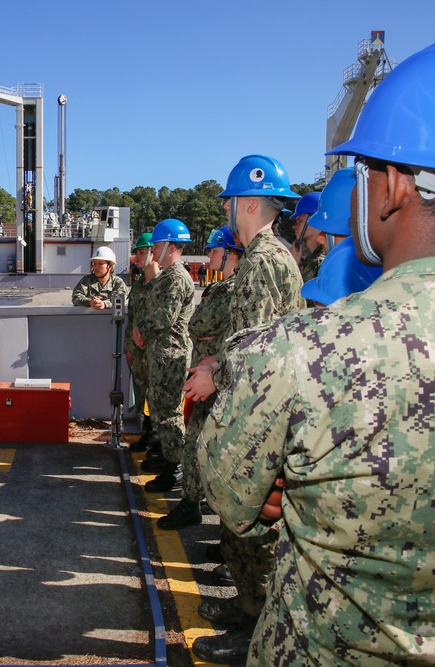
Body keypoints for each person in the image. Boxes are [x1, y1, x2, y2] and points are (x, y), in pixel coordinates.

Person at [199, 35, 435, 665]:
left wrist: (286, 480)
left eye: (355, 173)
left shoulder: (301, 354)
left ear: (391, 186)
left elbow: (230, 494)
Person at [183, 154, 304, 664]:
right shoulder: (269, 258)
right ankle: (248, 605)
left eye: (231, 201)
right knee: (243, 526)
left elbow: (261, 356)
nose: (229, 210)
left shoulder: (262, 261)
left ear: (249, 203)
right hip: (255, 407)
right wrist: (218, 358)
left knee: (253, 525)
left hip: (258, 418)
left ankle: (255, 630)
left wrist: (215, 371)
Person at [157, 225, 243, 530]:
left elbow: (202, 323)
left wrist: (207, 337)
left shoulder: (232, 289)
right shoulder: (225, 286)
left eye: (214, 250)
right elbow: (199, 326)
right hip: (210, 372)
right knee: (201, 441)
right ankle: (194, 500)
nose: (208, 256)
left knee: (200, 442)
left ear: (232, 253)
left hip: (215, 378)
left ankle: (192, 503)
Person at [132, 219, 194, 493]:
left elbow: (163, 318)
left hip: (170, 356)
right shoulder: (167, 277)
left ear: (170, 246)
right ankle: (168, 459)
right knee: (160, 410)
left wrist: (141, 330)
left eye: (157, 245)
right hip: (160, 354)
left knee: (169, 414)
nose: (153, 250)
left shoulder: (176, 278)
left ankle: (176, 468)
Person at [125, 232, 159, 452]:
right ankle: (147, 433)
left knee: (156, 396)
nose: (136, 256)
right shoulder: (137, 285)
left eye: (140, 252)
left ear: (153, 253)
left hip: (154, 351)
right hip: (137, 352)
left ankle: (157, 439)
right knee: (141, 392)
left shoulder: (161, 284)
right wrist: (129, 346)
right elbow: (132, 317)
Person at [289, 191, 325, 283]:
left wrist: (293, 266)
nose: (294, 226)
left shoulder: (321, 264)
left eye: (299, 220)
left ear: (315, 220)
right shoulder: (309, 260)